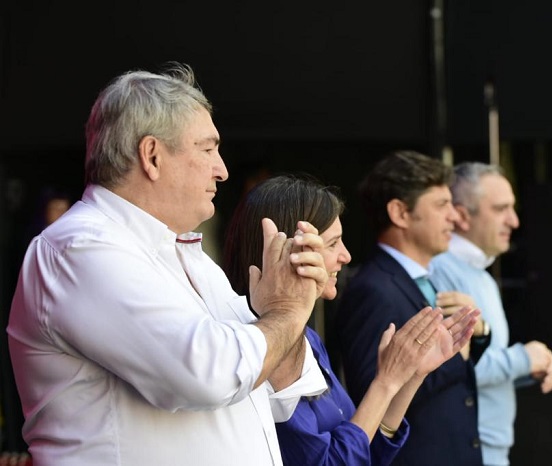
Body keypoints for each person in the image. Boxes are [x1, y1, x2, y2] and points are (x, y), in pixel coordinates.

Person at [6, 63, 331, 466]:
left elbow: (273, 393)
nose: (223, 170)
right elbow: (213, 374)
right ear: (152, 156)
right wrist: (285, 312)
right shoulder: (79, 248)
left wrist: (289, 301)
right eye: (208, 149)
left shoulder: (183, 253)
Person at [223, 174, 479, 466]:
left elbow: (365, 449)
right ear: (290, 253)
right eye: (332, 244)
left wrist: (410, 375)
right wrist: (386, 382)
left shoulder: (307, 338)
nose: (345, 255)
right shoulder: (260, 346)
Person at [334, 151, 490, 466]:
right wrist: (456, 354)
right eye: (441, 205)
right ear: (400, 213)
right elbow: (373, 397)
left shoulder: (419, 278)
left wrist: (476, 333)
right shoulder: (373, 290)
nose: (455, 218)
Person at [430, 162, 552, 466]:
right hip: (468, 452)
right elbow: (450, 368)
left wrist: (531, 367)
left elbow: (481, 368)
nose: (514, 221)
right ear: (462, 215)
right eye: (501, 209)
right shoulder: (440, 269)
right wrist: (525, 358)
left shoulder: (481, 276)